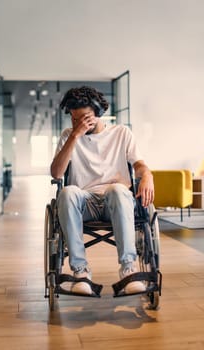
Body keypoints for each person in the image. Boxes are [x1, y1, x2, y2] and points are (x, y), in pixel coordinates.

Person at [51, 86, 154, 295]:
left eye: (84, 118)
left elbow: (139, 165)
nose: (78, 123)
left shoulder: (121, 133)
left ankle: (128, 269)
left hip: (116, 201)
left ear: (98, 113)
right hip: (84, 202)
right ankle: (80, 272)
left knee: (116, 189)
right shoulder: (68, 136)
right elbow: (56, 173)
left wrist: (148, 176)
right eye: (74, 119)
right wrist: (75, 136)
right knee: (67, 192)